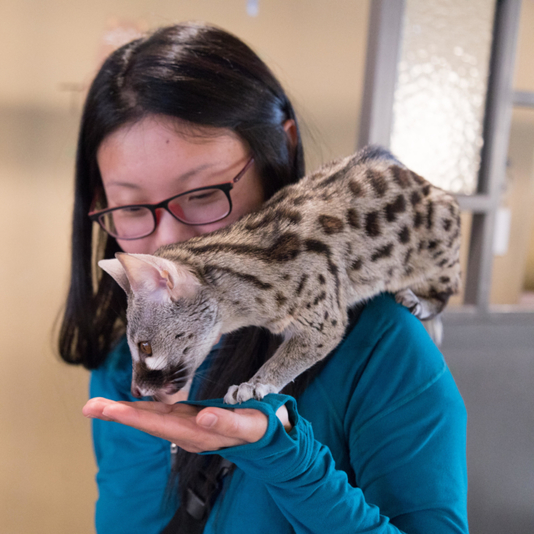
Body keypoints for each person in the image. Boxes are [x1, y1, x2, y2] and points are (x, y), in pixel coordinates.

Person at [58, 22, 468, 533]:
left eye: (203, 194)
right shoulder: (126, 363)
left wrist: (287, 461)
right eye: (132, 207)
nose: (168, 248)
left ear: (279, 149)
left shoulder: (382, 349)